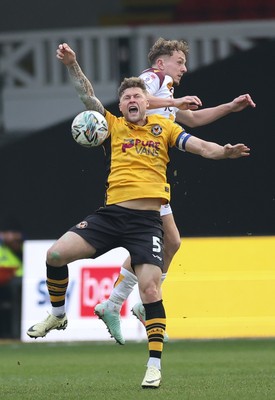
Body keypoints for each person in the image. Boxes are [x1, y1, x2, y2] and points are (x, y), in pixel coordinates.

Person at [27, 72, 249, 388]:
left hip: (146, 224)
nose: (133, 100)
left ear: (147, 102)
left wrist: (224, 151)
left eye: (137, 96)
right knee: (56, 253)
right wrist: (73, 64)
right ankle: (58, 315)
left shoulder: (166, 128)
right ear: (120, 105)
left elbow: (200, 146)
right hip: (110, 216)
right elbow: (85, 94)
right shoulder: (112, 126)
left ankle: (154, 366)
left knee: (150, 290)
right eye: (127, 97)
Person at [55, 40, 256, 345]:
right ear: (161, 64)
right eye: (179, 61)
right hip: (142, 163)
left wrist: (229, 107)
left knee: (171, 241)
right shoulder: (153, 79)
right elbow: (145, 99)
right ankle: (123, 302)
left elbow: (191, 119)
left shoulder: (167, 90)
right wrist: (175, 104)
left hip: (154, 160)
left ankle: (117, 303)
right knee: (166, 241)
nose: (184, 68)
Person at [0, 218, 24, 338]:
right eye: (7, 233)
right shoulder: (1, 248)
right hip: (5, 284)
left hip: (23, 284)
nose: (12, 237)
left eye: (14, 233)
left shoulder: (25, 247)